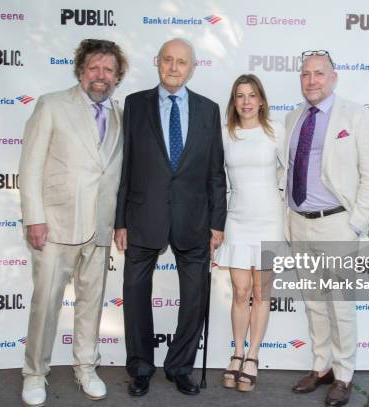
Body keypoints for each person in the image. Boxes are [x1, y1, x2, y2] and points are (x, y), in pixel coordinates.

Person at [113, 38, 226, 397]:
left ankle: (180, 366)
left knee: (195, 298)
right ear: (157, 62)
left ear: (192, 68)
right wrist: (120, 220)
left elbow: (215, 173)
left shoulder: (209, 110)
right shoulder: (135, 105)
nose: (174, 67)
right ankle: (141, 368)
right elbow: (125, 167)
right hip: (142, 216)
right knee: (134, 294)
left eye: (181, 62)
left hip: (194, 220)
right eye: (168, 60)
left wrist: (218, 223)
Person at [18, 39, 128, 406]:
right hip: (56, 225)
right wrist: (34, 219)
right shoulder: (51, 105)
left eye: (108, 70)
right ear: (81, 70)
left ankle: (85, 366)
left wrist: (116, 223)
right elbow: (30, 167)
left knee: (91, 303)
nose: (101, 75)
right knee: (46, 304)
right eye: (94, 68)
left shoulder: (118, 114)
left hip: (99, 226)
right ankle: (35, 373)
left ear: (117, 76)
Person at [281, 50, 369, 407]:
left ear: (334, 77)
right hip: (298, 224)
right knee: (314, 303)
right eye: (306, 74)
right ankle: (321, 366)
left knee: (340, 305)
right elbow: (287, 169)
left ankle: (344, 375)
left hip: (337, 224)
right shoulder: (293, 117)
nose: (312, 80)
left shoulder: (358, 117)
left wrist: (355, 226)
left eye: (319, 74)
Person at [214, 74, 285, 392]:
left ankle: (253, 356)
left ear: (261, 100)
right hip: (237, 219)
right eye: (240, 96)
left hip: (269, 219)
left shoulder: (276, 131)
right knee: (241, 292)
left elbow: (292, 170)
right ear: (234, 101)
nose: (246, 101)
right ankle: (237, 352)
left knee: (261, 292)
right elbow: (216, 179)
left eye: (251, 95)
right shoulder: (225, 134)